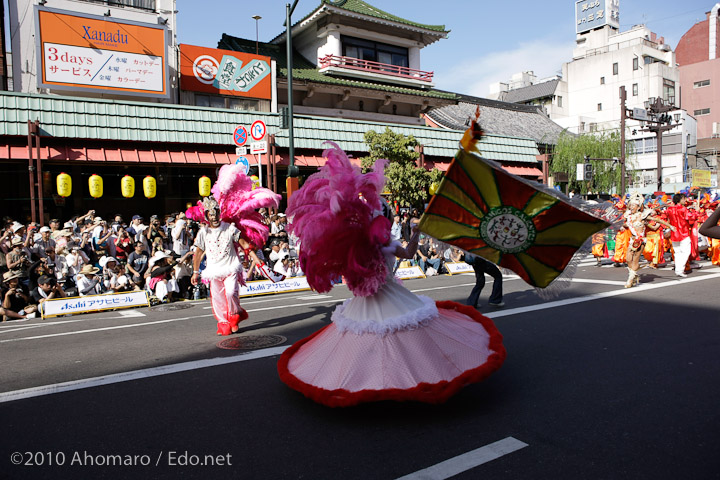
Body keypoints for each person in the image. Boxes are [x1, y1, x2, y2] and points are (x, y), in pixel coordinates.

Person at [278, 142, 505, 407]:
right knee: (393, 337)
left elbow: (407, 253)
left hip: (382, 292)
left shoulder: (379, 243)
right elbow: (399, 253)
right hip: (378, 293)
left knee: (372, 339)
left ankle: (378, 378)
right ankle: (386, 378)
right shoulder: (370, 243)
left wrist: (418, 233)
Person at [666, 193, 698, 277]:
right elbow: (691, 218)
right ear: (679, 200)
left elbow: (666, 218)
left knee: (677, 252)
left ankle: (678, 269)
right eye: (683, 199)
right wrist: (696, 212)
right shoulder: (684, 209)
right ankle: (680, 269)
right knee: (685, 252)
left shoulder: (669, 209)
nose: (685, 200)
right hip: (683, 232)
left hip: (674, 232)